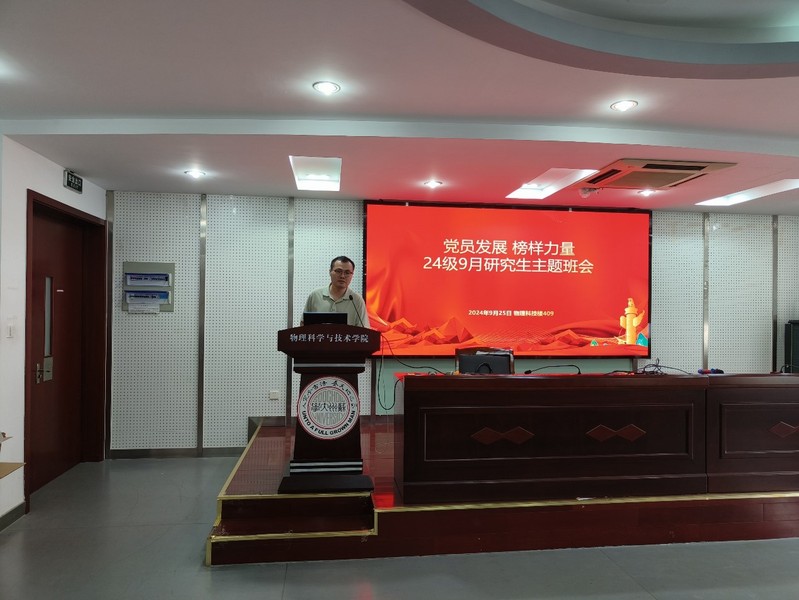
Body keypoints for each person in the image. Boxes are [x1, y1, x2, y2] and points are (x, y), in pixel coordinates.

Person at [302, 256, 371, 327]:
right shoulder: (315, 296)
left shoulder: (356, 300)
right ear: (330, 272)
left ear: (352, 275)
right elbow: (303, 325)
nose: (342, 276)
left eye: (347, 272)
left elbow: (364, 331)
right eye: (338, 271)